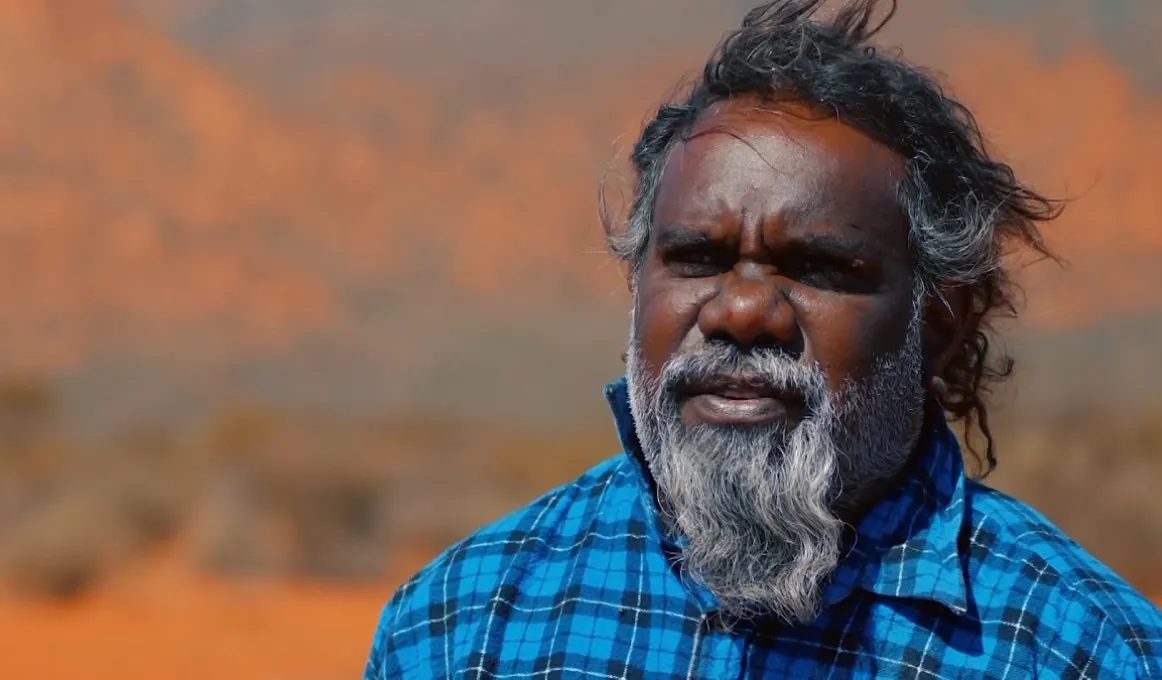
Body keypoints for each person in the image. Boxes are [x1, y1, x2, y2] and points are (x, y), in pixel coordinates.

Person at [364, 1, 1162, 677]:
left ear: (939, 323)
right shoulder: (464, 627)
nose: (742, 311)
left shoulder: (1079, 651)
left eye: (816, 265)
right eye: (698, 258)